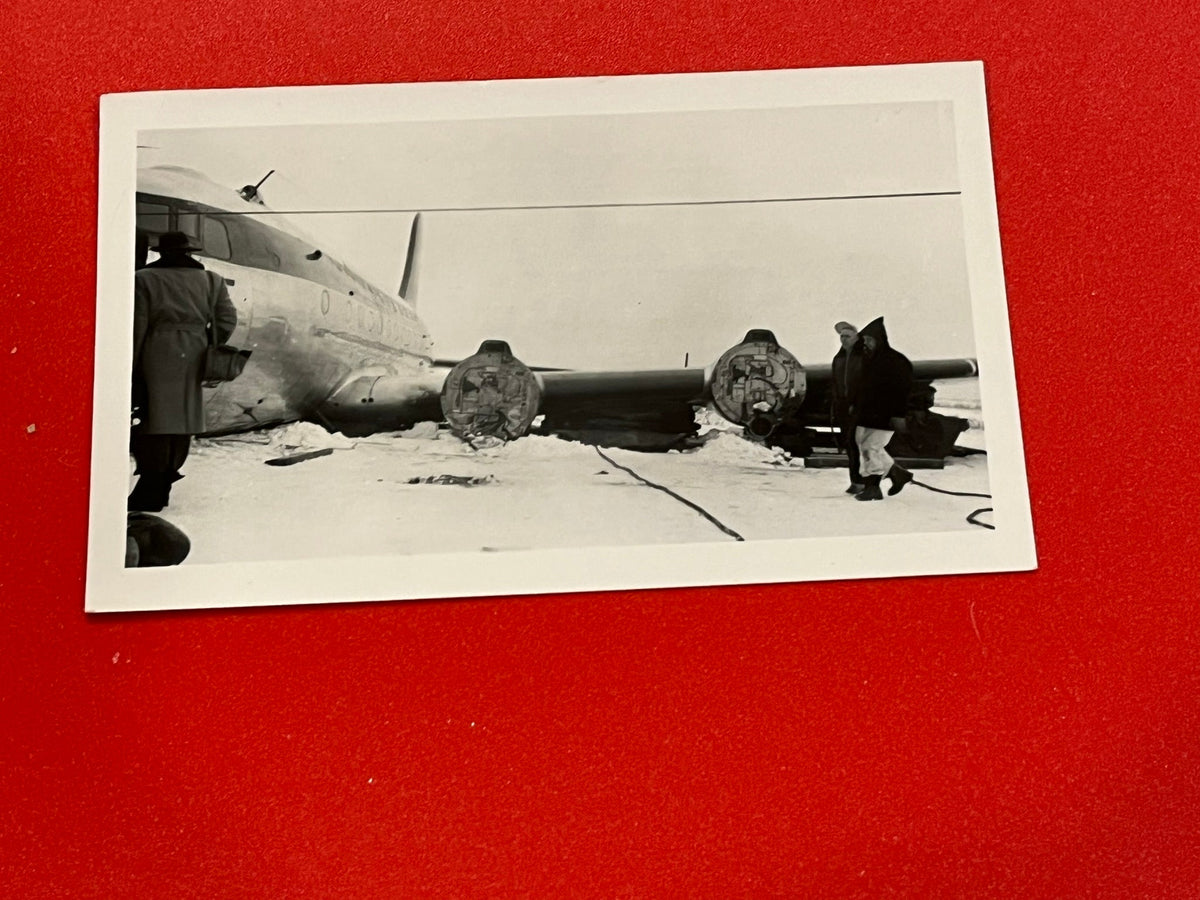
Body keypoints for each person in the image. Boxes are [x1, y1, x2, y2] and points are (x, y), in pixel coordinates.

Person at [128, 231, 236, 512]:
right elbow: (227, 319)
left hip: (155, 352)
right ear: (189, 252)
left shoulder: (144, 279)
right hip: (194, 353)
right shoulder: (211, 280)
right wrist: (208, 342)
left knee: (152, 420)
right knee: (182, 422)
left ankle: (151, 486)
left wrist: (133, 361)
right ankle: (164, 481)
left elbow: (137, 323)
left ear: (162, 252)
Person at [853, 316, 914, 501]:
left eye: (870, 340)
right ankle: (897, 474)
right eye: (866, 340)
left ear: (880, 340)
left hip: (885, 415)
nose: (867, 344)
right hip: (868, 414)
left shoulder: (896, 361)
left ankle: (873, 488)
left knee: (870, 447)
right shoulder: (871, 360)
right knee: (871, 447)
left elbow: (902, 391)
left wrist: (898, 415)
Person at [830, 321, 865, 493]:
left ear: (856, 337)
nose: (844, 339)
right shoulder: (839, 358)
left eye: (847, 336)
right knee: (850, 444)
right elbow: (836, 382)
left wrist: (857, 403)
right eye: (842, 336)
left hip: (859, 406)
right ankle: (856, 481)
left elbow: (866, 382)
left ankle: (863, 481)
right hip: (843, 406)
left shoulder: (863, 357)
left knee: (860, 444)